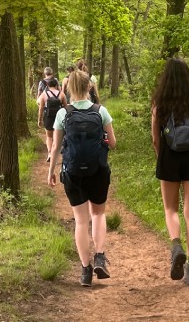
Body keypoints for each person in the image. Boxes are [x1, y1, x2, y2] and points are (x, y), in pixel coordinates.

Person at [48, 68, 116, 287]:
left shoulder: (62, 114)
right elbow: (113, 143)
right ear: (89, 87)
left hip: (72, 172)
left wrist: (51, 173)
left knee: (80, 220)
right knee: (98, 214)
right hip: (98, 170)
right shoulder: (101, 111)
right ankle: (100, 257)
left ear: (68, 89)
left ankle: (85, 271)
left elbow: (56, 147)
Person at [151, 57, 189, 285]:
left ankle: (176, 246)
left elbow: (155, 138)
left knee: (170, 209)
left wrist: (161, 157)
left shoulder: (159, 101)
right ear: (187, 78)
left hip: (169, 158)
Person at [38, 77, 66, 162]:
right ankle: (55, 155)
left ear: (47, 85)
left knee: (49, 137)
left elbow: (41, 108)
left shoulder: (44, 94)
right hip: (59, 117)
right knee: (57, 137)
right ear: (57, 85)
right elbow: (66, 107)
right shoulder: (61, 94)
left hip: (48, 117)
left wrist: (39, 119)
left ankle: (50, 153)